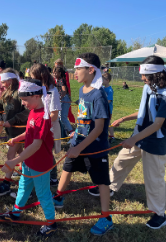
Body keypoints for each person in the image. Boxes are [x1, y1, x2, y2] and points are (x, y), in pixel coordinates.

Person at [89, 55, 166, 230]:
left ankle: (159, 214)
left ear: (154, 75)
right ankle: (110, 187)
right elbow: (143, 111)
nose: (142, 78)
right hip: (139, 136)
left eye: (144, 75)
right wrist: (123, 118)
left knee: (153, 179)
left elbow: (158, 123)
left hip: (153, 142)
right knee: (121, 161)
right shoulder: (148, 88)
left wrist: (134, 138)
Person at [53, 53, 113, 236]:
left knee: (102, 181)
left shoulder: (99, 95)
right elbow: (83, 118)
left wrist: (79, 147)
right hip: (79, 141)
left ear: (90, 70)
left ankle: (106, 217)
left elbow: (99, 128)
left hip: (96, 147)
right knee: (67, 168)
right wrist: (75, 138)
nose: (74, 72)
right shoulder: (82, 90)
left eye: (78, 69)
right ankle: (58, 197)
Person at [0, 78, 57, 238]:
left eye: (25, 99)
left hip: (39, 164)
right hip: (28, 162)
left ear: (37, 96)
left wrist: (13, 161)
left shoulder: (43, 117)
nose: (23, 103)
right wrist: (17, 139)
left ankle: (51, 223)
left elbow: (36, 145)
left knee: (43, 194)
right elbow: (30, 132)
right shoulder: (33, 111)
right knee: (23, 188)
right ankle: (16, 213)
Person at [0, 68, 29, 196]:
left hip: (19, 130)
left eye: (3, 82)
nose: (2, 84)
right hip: (11, 131)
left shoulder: (20, 92)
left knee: (11, 156)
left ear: (10, 80)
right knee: (21, 153)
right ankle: (26, 174)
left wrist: (13, 120)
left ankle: (6, 183)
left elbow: (27, 111)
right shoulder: (7, 92)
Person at [30, 63, 62, 186]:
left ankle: (53, 177)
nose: (33, 80)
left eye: (34, 78)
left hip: (49, 128)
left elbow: (54, 114)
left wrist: (42, 122)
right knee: (40, 152)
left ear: (41, 76)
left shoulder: (52, 92)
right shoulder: (38, 90)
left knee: (47, 153)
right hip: (39, 126)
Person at [53, 66, 74, 135]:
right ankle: (64, 132)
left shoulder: (61, 80)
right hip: (62, 99)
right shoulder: (58, 80)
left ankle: (71, 132)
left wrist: (59, 98)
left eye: (55, 73)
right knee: (60, 117)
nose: (54, 74)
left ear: (59, 73)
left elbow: (64, 90)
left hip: (65, 99)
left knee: (63, 117)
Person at [54, 58, 75, 124]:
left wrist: (62, 95)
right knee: (61, 115)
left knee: (64, 114)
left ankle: (68, 128)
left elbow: (65, 86)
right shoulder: (60, 75)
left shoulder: (63, 75)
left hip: (64, 93)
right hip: (60, 92)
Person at [102, 72, 115, 143]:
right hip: (103, 109)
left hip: (108, 110)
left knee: (108, 123)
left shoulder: (110, 89)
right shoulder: (102, 88)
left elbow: (109, 100)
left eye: (102, 80)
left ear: (107, 80)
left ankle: (112, 135)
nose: (101, 81)